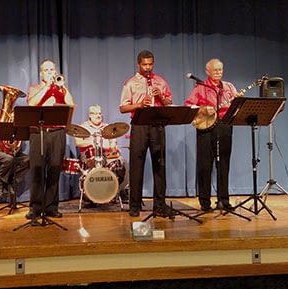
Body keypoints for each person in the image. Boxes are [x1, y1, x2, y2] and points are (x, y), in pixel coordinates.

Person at [119, 50, 173, 217]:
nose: (148, 68)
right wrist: (139, 105)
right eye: (144, 64)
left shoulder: (160, 81)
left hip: (157, 126)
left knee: (160, 166)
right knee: (137, 166)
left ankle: (160, 205)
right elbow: (122, 107)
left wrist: (161, 98)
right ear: (138, 64)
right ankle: (134, 206)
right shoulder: (131, 83)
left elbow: (169, 103)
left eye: (150, 64)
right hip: (140, 126)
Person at [184, 58, 239, 212]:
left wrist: (237, 101)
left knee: (223, 164)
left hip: (224, 126)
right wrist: (202, 109)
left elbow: (236, 105)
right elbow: (189, 105)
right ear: (208, 72)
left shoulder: (229, 87)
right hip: (206, 128)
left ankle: (224, 200)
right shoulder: (201, 87)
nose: (218, 72)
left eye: (220, 69)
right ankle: (205, 202)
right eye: (215, 70)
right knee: (205, 165)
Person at [26, 59, 75, 223]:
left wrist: (61, 89)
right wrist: (47, 88)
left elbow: (71, 105)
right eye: (46, 70)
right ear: (41, 73)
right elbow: (32, 104)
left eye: (52, 70)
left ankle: (51, 207)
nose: (49, 72)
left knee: (54, 170)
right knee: (37, 170)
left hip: (57, 133)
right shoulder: (35, 88)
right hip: (38, 132)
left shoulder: (61, 88)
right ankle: (35, 207)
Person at [75, 104, 125, 185]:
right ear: (90, 115)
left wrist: (113, 148)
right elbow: (78, 142)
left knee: (120, 162)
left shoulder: (108, 127)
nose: (98, 116)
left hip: (106, 155)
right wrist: (92, 143)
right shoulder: (83, 127)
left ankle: (112, 190)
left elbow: (112, 143)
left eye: (99, 113)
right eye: (95, 113)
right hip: (88, 156)